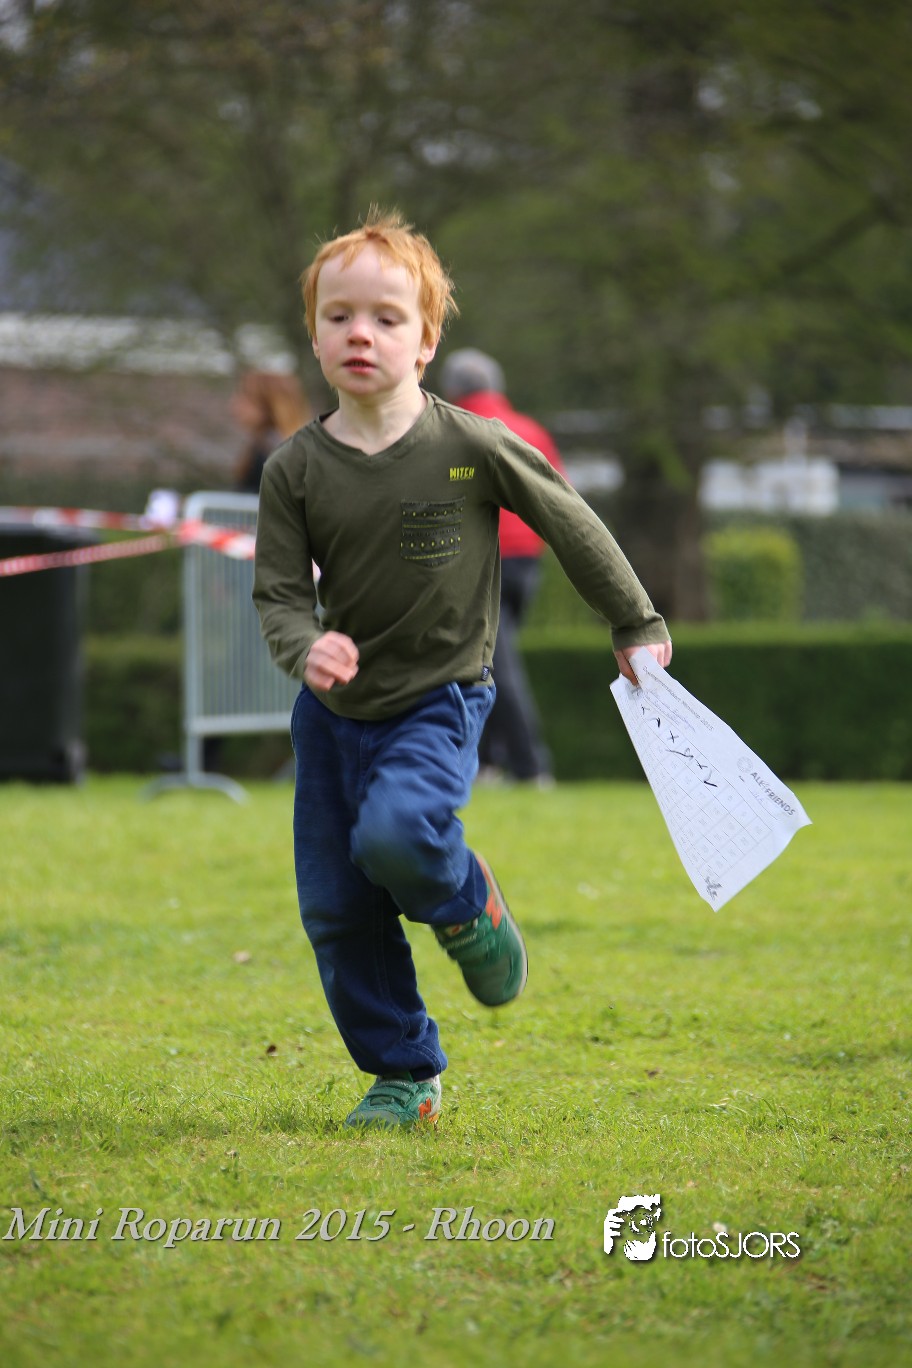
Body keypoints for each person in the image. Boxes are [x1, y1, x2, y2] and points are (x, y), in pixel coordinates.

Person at [252, 208, 672, 1130]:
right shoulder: (294, 471)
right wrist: (303, 645)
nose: (360, 334)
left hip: (438, 700)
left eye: (386, 317)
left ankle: (466, 900)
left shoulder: (470, 444)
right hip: (333, 718)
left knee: (399, 835)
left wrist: (634, 620)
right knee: (337, 908)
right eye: (338, 316)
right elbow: (277, 595)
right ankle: (405, 1074)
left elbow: (568, 519)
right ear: (315, 334)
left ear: (427, 340)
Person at [439, 348, 565, 785]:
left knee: (497, 665)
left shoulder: (452, 430)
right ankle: (488, 761)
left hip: (482, 560)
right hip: (527, 561)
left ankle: (531, 766)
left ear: (452, 388)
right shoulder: (531, 429)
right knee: (488, 658)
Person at [231, 369, 311, 493]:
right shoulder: (262, 445)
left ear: (269, 404)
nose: (235, 403)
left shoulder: (277, 454)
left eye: (246, 397)